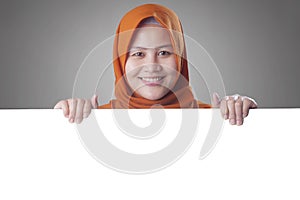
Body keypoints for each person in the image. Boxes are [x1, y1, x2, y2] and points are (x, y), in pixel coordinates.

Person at [54, 4, 257, 125]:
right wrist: (63, 118)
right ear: (120, 62)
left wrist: (245, 114)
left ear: (180, 59)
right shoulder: (95, 120)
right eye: (138, 54)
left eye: (164, 52)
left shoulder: (213, 117)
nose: (151, 65)